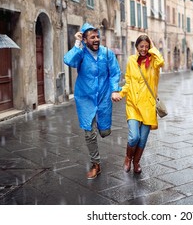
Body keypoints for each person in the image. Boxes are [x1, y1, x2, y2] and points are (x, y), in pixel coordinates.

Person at [64, 23, 122, 179]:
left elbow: (115, 73)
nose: (96, 39)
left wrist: (115, 89)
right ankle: (96, 164)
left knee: (104, 131)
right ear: (85, 39)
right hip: (85, 98)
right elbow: (69, 61)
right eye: (92, 37)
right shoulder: (81, 53)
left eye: (98, 36)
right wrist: (76, 44)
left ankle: (102, 128)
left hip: (103, 96)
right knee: (89, 133)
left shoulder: (107, 54)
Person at [119, 34, 164, 173]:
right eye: (141, 46)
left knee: (142, 139)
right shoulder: (131, 60)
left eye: (146, 46)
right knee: (134, 137)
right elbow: (128, 81)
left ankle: (136, 162)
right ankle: (128, 157)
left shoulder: (154, 62)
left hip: (148, 105)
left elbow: (161, 61)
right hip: (133, 103)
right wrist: (121, 94)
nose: (144, 49)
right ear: (136, 47)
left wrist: (153, 46)